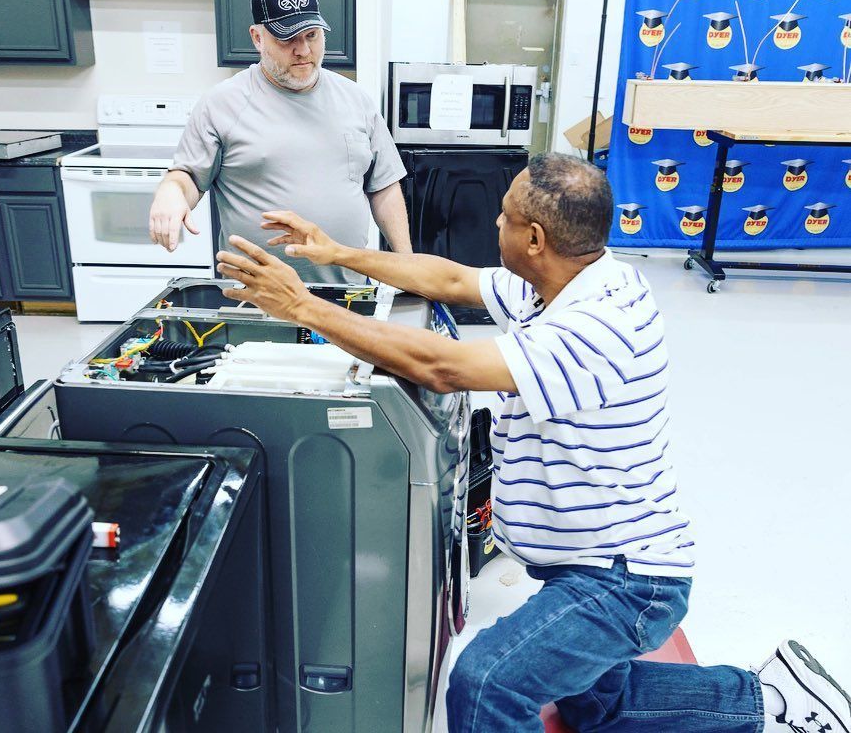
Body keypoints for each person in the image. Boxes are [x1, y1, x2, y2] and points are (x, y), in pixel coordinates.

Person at [211, 152, 851, 733]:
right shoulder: (569, 276)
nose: (496, 221)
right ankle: (768, 701)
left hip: (621, 580)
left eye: (506, 215)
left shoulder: (594, 326)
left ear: (535, 239)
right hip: (585, 564)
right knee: (600, 706)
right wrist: (337, 251)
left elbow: (445, 367)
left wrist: (303, 306)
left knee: (488, 683)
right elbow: (452, 280)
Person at [148, 0, 411, 284]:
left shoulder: (357, 101)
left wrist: (408, 266)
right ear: (257, 38)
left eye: (311, 35)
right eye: (287, 38)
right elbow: (189, 176)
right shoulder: (222, 104)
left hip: (348, 295)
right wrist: (170, 191)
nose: (303, 50)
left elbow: (383, 186)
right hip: (259, 298)